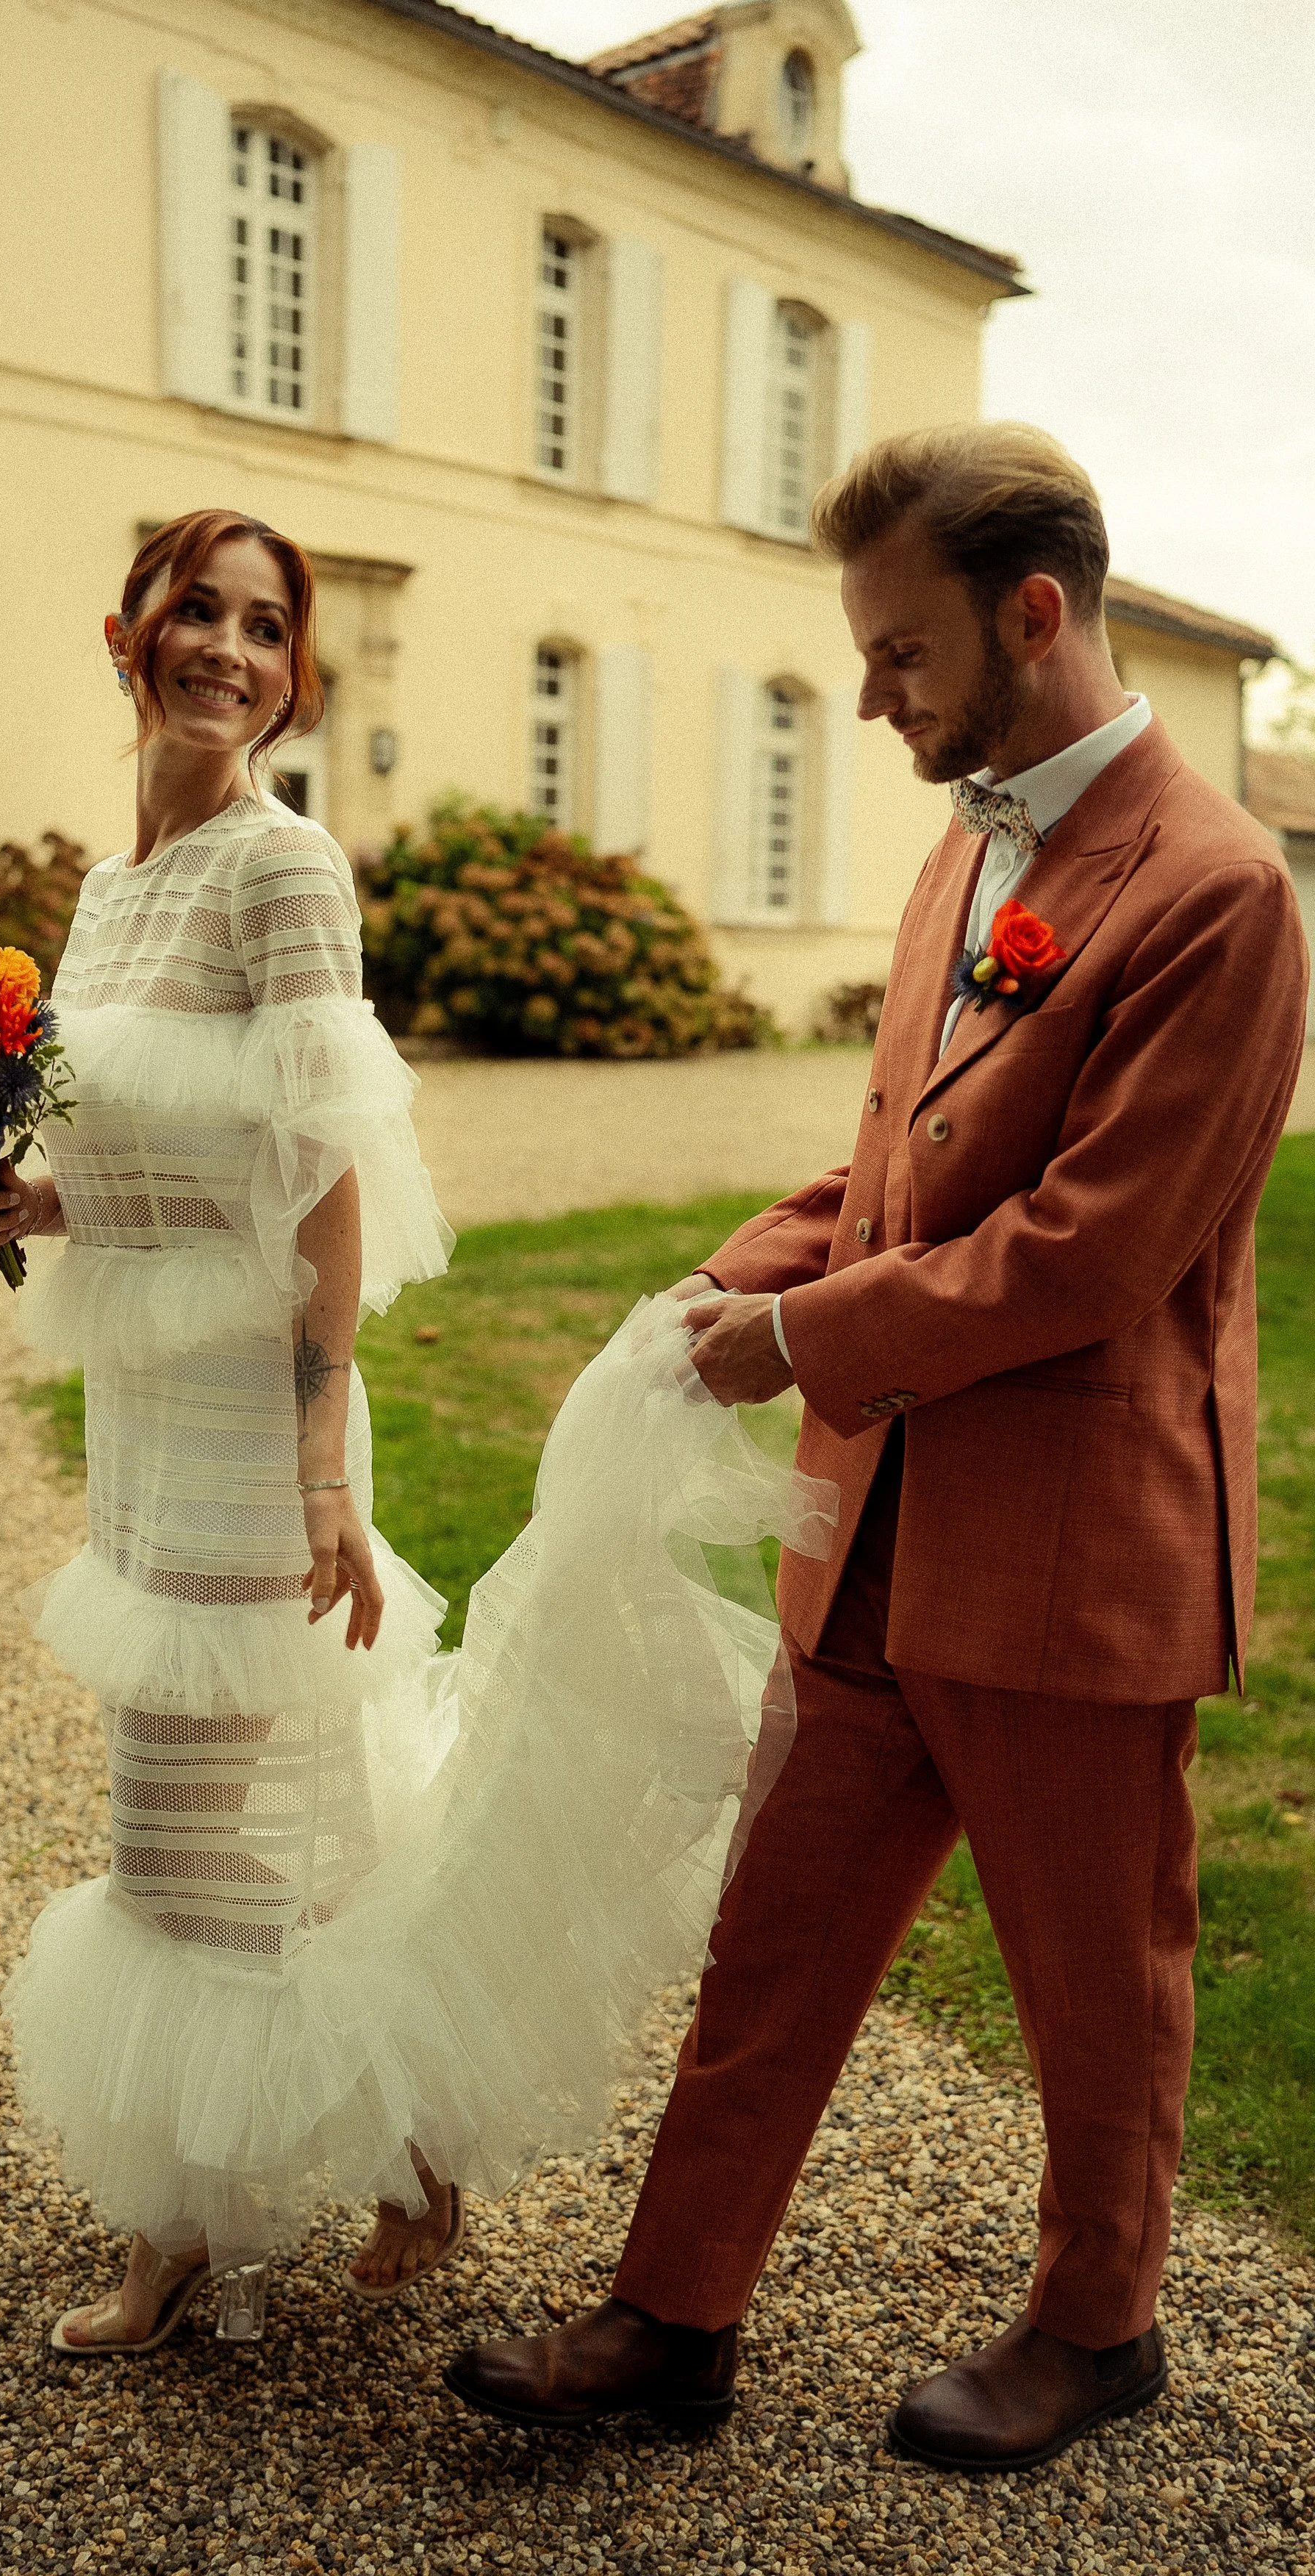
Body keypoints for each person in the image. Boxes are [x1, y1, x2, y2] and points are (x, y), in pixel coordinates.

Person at [442, 423, 1310, 2469]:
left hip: (1080, 1551)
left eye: (900, 652)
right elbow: (901, 1176)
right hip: (878, 1540)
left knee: (1097, 1985)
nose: (869, 700)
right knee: (777, 1938)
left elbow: (1088, 1257)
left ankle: (1101, 2329)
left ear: (1034, 616)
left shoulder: (1221, 894)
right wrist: (725, 1286)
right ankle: (673, 2322)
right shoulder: (968, 841)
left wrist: (795, 1343)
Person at [0, 509, 828, 2355]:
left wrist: (324, 1468)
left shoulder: (287, 870)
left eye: (267, 629)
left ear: (296, 672)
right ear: (130, 634)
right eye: (201, 613)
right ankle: (301, 2171)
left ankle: (246, 2191)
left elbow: (326, 1182)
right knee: (229, 1808)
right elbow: (167, 1163)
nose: (231, 653)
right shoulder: (110, 896)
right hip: (136, 1412)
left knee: (196, 1827)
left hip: (253, 1424)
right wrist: (27, 1207)